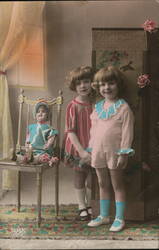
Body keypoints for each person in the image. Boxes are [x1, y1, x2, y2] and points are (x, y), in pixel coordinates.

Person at [87, 65, 134, 232]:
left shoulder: (123, 107)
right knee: (101, 183)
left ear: (118, 85)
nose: (107, 88)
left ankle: (119, 218)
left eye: (111, 83)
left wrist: (124, 152)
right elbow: (93, 131)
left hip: (115, 152)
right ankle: (104, 215)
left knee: (117, 184)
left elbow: (128, 132)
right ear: (98, 87)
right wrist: (91, 149)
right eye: (103, 85)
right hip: (98, 151)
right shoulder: (97, 107)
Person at [63, 66, 95, 221]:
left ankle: (90, 204)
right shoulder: (73, 106)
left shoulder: (95, 103)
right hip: (78, 146)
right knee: (80, 175)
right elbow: (70, 131)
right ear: (74, 86)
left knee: (92, 177)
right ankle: (81, 205)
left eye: (86, 81)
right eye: (79, 83)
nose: (83, 86)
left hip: (94, 145)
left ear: (92, 83)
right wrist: (81, 151)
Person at [16, 100, 59, 166]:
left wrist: (48, 144)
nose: (40, 113)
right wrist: (27, 142)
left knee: (42, 158)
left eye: (43, 111)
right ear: (35, 115)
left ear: (47, 115)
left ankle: (34, 159)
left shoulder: (49, 128)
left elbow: (52, 136)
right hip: (31, 150)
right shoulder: (31, 127)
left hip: (42, 151)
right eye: (38, 112)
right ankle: (21, 158)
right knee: (23, 154)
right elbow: (28, 136)